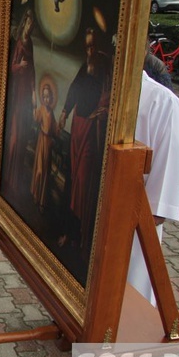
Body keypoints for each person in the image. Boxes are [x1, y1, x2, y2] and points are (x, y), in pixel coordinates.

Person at [127, 70, 179, 305]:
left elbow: (158, 207)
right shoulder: (98, 88)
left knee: (129, 319)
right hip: (88, 233)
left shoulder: (165, 105)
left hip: (131, 237)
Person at [58, 27, 112, 254]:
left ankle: (81, 235)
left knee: (83, 180)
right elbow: (74, 89)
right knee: (72, 177)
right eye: (86, 46)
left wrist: (102, 110)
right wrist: (64, 112)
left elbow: (109, 96)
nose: (89, 50)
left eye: (92, 46)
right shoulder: (86, 65)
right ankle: (70, 231)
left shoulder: (105, 67)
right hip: (79, 125)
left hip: (92, 130)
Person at [3, 8, 37, 193]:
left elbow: (33, 70)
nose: (31, 26)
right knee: (15, 135)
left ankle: (16, 178)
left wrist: (33, 92)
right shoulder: (18, 43)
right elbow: (9, 67)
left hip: (25, 91)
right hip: (16, 91)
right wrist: (19, 66)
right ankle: (10, 175)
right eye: (29, 22)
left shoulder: (29, 43)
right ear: (25, 22)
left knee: (23, 133)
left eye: (33, 23)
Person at [31, 81, 60, 213]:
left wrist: (58, 129)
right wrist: (34, 106)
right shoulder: (42, 109)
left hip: (48, 144)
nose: (47, 99)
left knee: (46, 173)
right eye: (45, 97)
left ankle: (42, 201)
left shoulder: (51, 112)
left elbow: (53, 129)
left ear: (51, 98)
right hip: (41, 142)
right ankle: (35, 194)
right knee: (39, 170)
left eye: (48, 97)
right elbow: (36, 119)